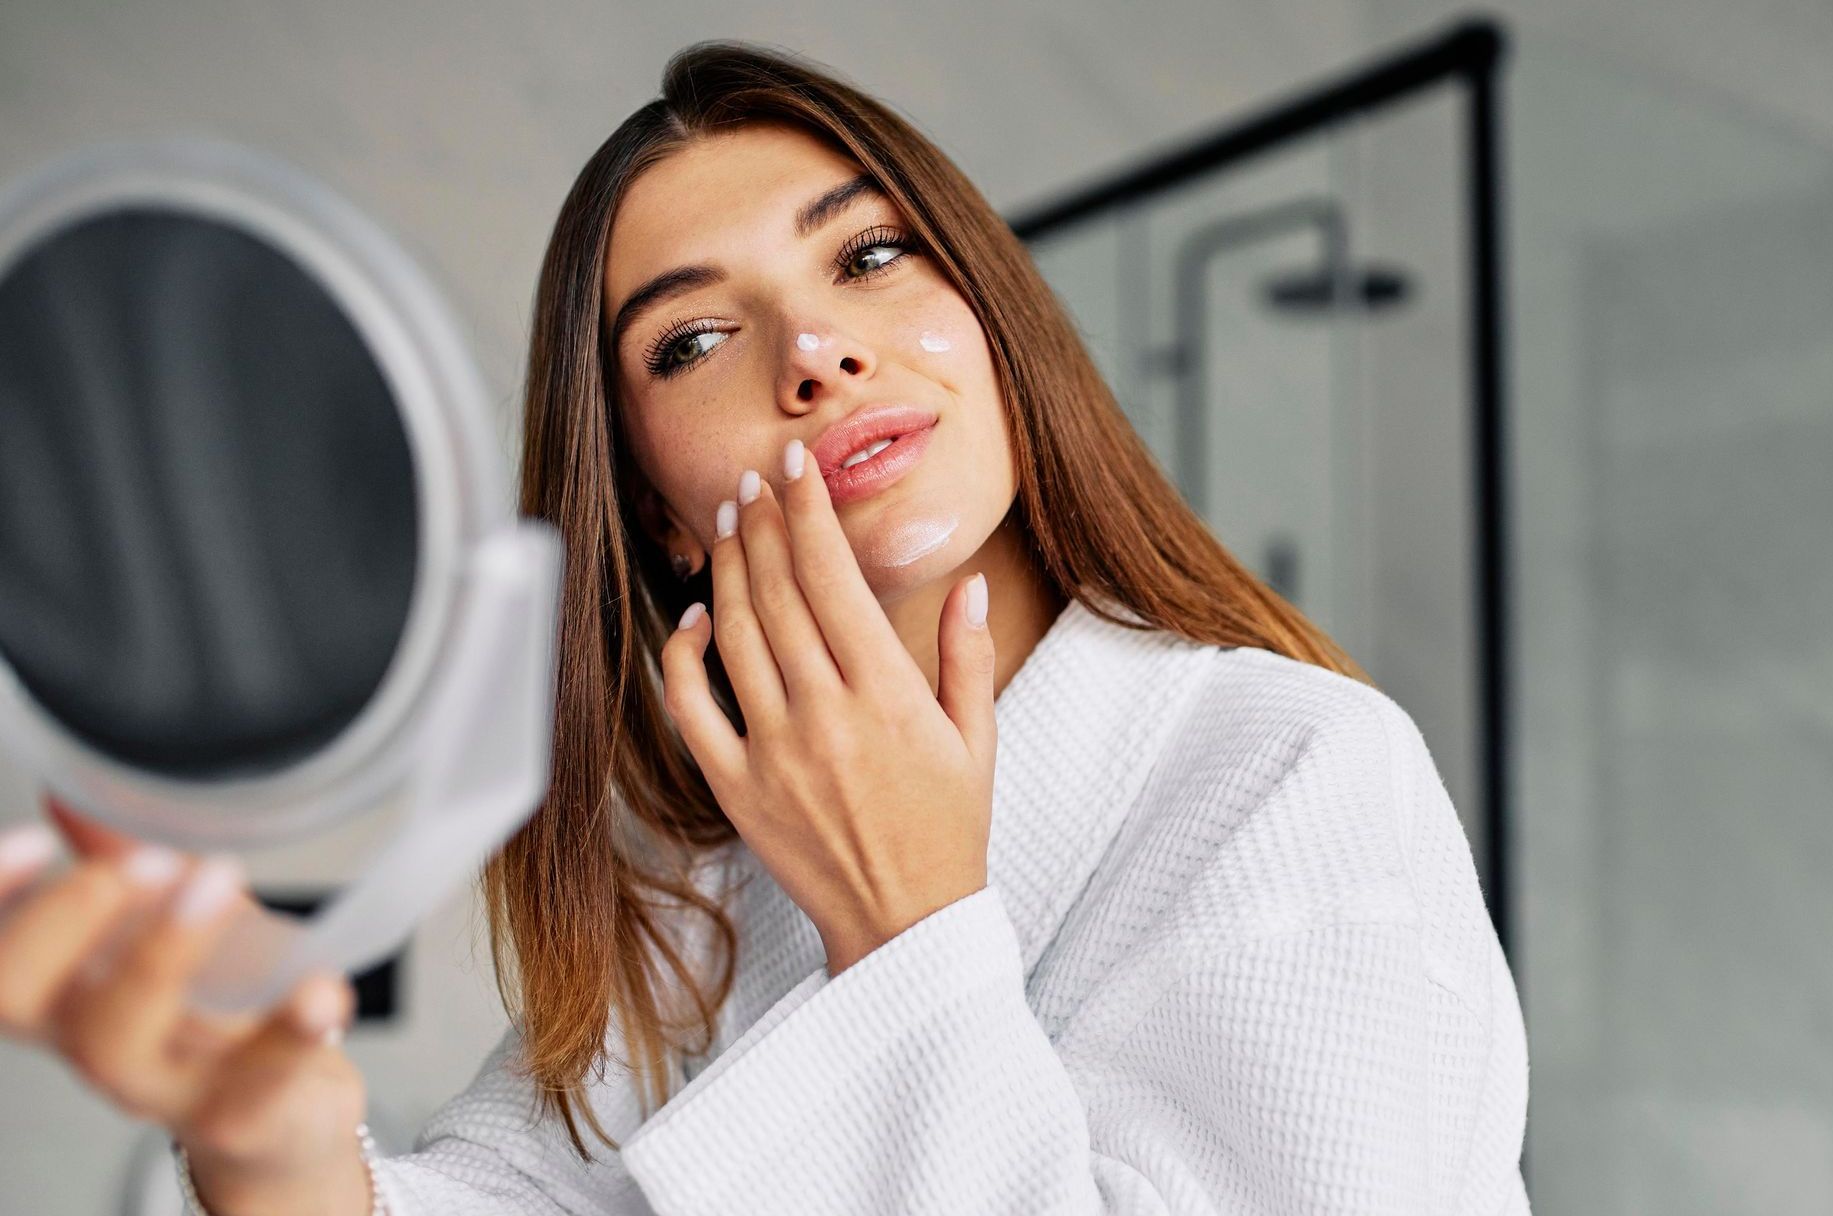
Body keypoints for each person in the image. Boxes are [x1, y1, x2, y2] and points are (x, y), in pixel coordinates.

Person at [0, 39, 1529, 1215]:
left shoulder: (1295, 776)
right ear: (658, 507)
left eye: (869, 256)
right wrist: (266, 1142)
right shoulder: (700, 890)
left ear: (994, 330)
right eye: (696, 340)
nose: (816, 354)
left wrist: (910, 932)